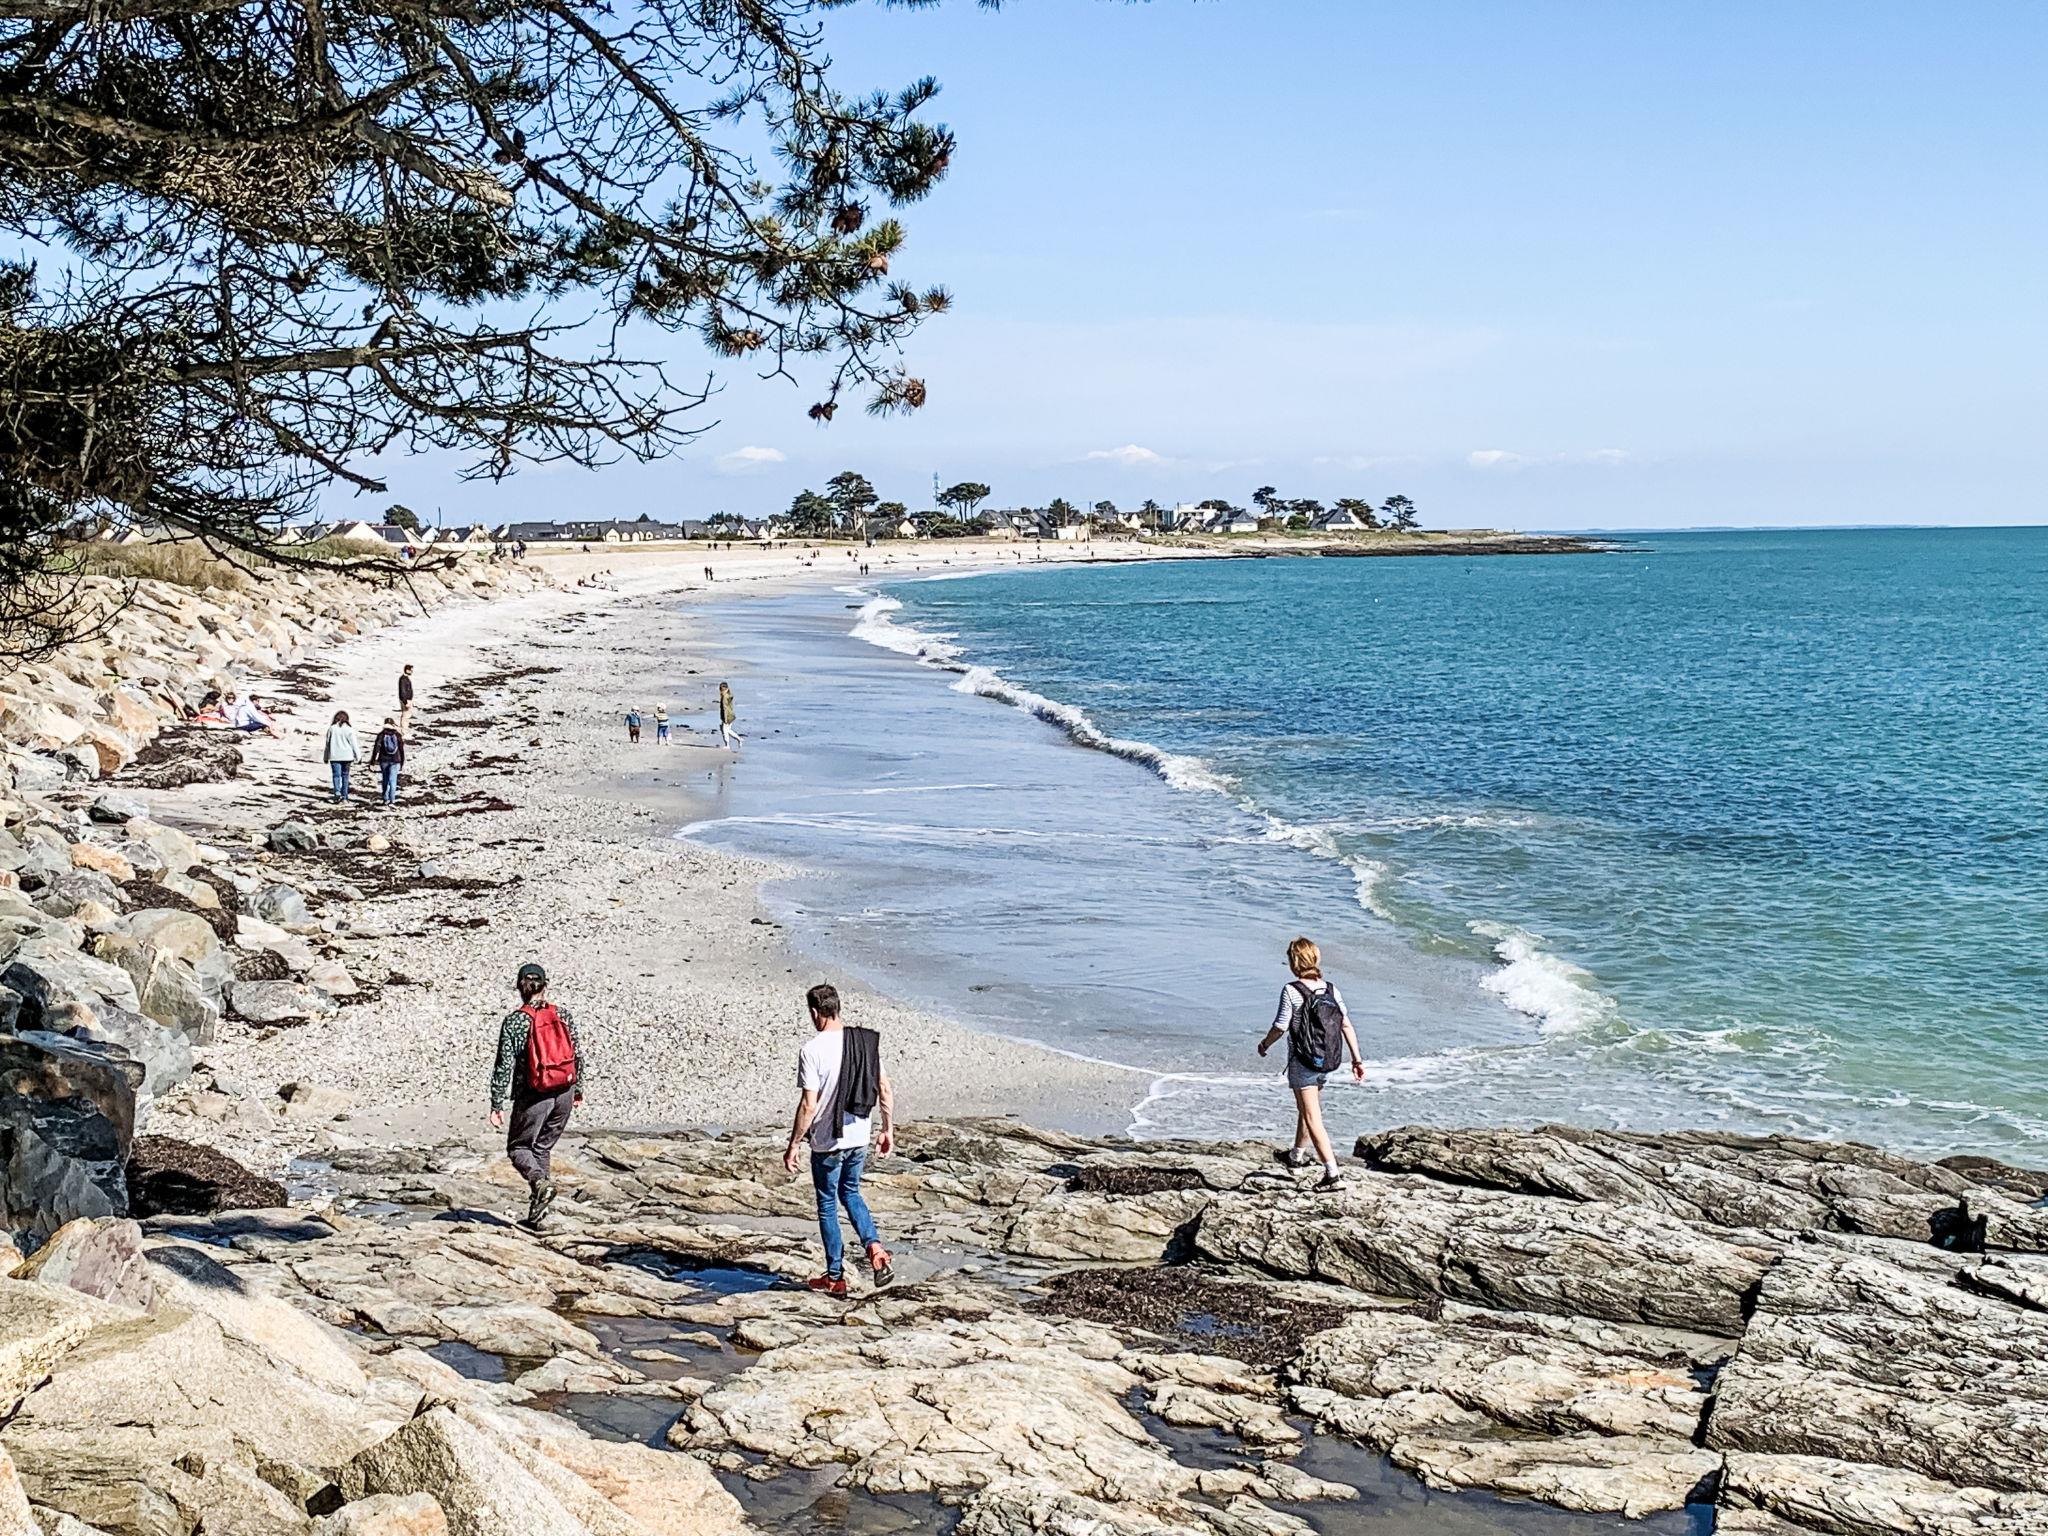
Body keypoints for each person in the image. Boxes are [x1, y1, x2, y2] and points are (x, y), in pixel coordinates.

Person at [783, 983, 893, 1296]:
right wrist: (887, 1129)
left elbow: (809, 1105)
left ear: (815, 1012)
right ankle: (875, 1248)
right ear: (837, 1007)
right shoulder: (865, 1043)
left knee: (828, 1203)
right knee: (851, 1192)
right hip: (859, 1136)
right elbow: (885, 1089)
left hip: (828, 1141)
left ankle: (835, 1277)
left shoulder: (812, 1050)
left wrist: (794, 1144)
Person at [1256, 936, 1364, 1191]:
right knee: (1307, 1109)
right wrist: (1356, 1059)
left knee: (1312, 1117)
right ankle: (1295, 1156)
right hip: (1327, 1060)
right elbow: (1346, 1025)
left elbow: (1281, 1026)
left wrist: (1264, 1044)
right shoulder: (1330, 989)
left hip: (1303, 1061)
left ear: (1294, 962)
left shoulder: (1292, 990)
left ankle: (1332, 1175)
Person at [488, 962, 583, 1229]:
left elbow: (504, 1065)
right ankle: (539, 1214)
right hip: (564, 1090)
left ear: (519, 987)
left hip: (534, 1094)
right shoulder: (562, 1015)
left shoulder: (515, 1021)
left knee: (519, 1148)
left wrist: (496, 1103)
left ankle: (540, 1183)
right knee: (542, 1148)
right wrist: (578, 1089)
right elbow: (577, 1055)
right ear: (545, 986)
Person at [322, 710, 359, 802]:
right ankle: (344, 796)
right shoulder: (349, 729)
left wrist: (326, 757)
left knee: (336, 775)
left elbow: (327, 744)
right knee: (345, 776)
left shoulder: (332, 729)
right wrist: (358, 756)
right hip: (347, 757)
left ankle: (337, 792)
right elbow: (354, 744)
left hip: (335, 756)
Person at [368, 716, 405, 804]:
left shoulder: (381, 735)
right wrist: (402, 762)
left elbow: (376, 749)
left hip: (383, 760)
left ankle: (385, 798)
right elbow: (401, 750)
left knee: (385, 779)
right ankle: (392, 800)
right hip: (395, 760)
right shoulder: (397, 735)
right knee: (393, 780)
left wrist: (372, 762)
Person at [717, 682, 741, 750]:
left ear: (726, 689)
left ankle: (728, 744)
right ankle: (738, 739)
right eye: (721, 689)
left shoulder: (724, 697)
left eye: (722, 689)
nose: (721, 691)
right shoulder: (729, 695)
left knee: (725, 730)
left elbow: (725, 709)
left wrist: (725, 719)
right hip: (731, 715)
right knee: (727, 730)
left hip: (727, 716)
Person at [398, 664, 416, 734]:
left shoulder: (405, 678)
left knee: (406, 716)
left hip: (407, 700)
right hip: (406, 700)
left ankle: (404, 731)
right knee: (405, 716)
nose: (412, 672)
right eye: (411, 670)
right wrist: (405, 702)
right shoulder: (403, 679)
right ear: (407, 670)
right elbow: (403, 691)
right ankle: (404, 732)